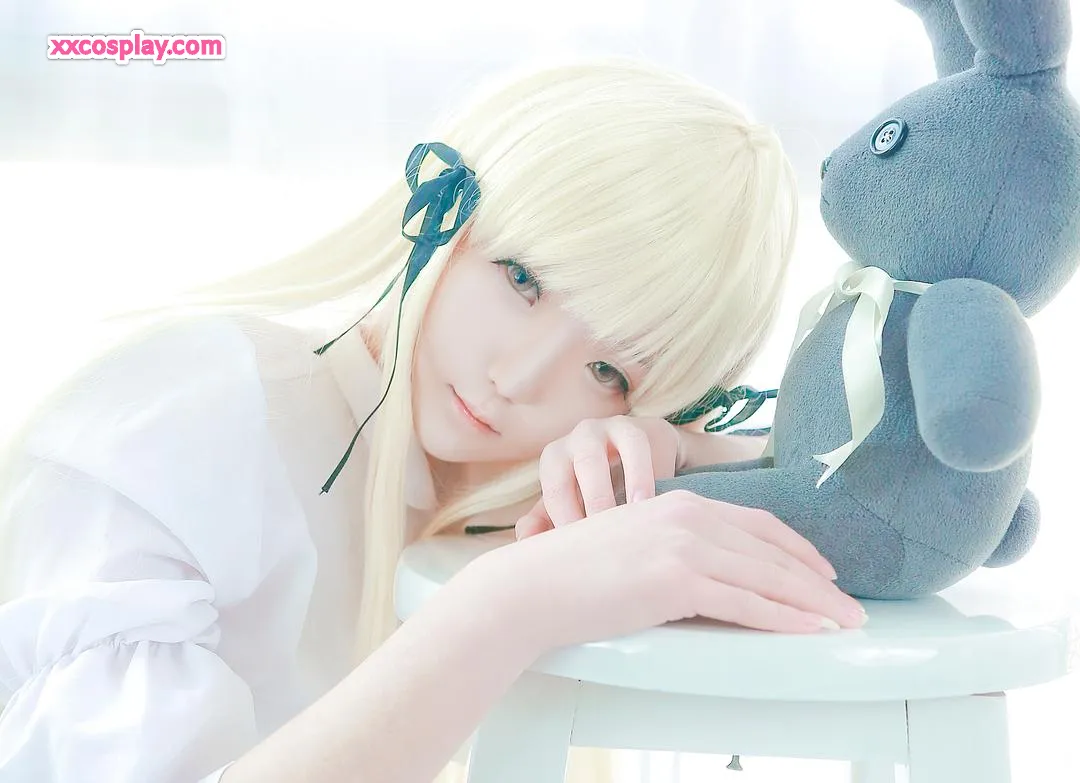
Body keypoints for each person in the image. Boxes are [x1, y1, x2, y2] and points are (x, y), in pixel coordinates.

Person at [0, 57, 867, 783]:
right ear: (448, 208)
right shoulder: (199, 406)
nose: (517, 378)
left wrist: (673, 445)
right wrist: (504, 608)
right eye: (522, 279)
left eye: (609, 371)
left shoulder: (512, 501)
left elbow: (871, 488)